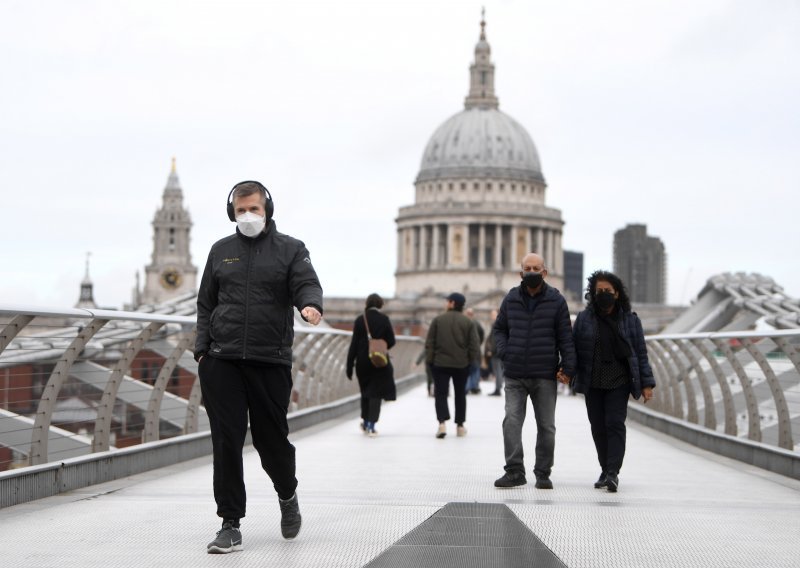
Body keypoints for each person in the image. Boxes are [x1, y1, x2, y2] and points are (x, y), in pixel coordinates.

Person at [195, 180, 323, 554]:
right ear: (231, 213)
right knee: (227, 441)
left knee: (271, 441)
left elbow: (306, 284)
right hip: (223, 360)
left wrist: (309, 305)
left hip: (270, 360)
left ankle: (287, 493)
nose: (247, 216)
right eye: (240, 211)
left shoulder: (291, 249)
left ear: (267, 209)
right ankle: (230, 523)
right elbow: (206, 303)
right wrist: (202, 351)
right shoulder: (221, 251)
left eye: (254, 209)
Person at [493, 253, 576, 490]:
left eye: (536, 268)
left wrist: (568, 368)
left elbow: (565, 338)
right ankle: (515, 470)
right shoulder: (511, 299)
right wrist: (505, 351)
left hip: (544, 373)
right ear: (521, 273)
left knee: (547, 426)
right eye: (527, 268)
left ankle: (543, 473)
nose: (532, 272)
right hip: (516, 371)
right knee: (511, 421)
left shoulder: (557, 300)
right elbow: (499, 329)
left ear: (544, 272)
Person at [569, 270, 655, 493]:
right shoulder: (584, 319)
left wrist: (647, 384)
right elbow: (574, 350)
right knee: (598, 427)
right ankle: (605, 468)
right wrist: (567, 371)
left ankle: (613, 472)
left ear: (617, 293)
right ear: (592, 293)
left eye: (608, 291)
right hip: (592, 379)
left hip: (619, 379)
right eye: (599, 291)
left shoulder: (630, 320)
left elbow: (640, 353)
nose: (603, 294)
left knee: (615, 424)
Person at [425, 292, 480, 439]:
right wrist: (469, 361)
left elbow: (430, 343)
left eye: (447, 301)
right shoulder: (468, 322)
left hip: (440, 363)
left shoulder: (438, 320)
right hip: (461, 364)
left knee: (441, 394)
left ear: (452, 303)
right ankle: (460, 426)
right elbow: (474, 346)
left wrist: (430, 361)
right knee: (460, 395)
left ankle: (442, 423)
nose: (446, 303)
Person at [346, 293, 397, 436]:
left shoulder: (360, 320)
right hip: (379, 360)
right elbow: (392, 341)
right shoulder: (384, 319)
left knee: (365, 392)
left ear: (367, 303)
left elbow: (354, 344)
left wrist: (349, 366)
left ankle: (365, 420)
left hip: (362, 362)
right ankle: (371, 425)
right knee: (376, 393)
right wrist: (381, 345)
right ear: (380, 304)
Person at [464, 307, 485, 394]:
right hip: (475, 350)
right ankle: (474, 387)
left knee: (468, 370)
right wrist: (479, 343)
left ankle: (467, 388)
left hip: (466, 350)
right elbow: (482, 334)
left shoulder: (464, 322)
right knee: (475, 369)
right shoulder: (477, 323)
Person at [484, 309, 504, 396]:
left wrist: (492, 351)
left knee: (498, 371)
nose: (491, 316)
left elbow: (496, 339)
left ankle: (498, 389)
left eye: (493, 314)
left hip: (496, 352)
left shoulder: (497, 324)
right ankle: (497, 388)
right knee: (497, 371)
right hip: (497, 351)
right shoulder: (498, 323)